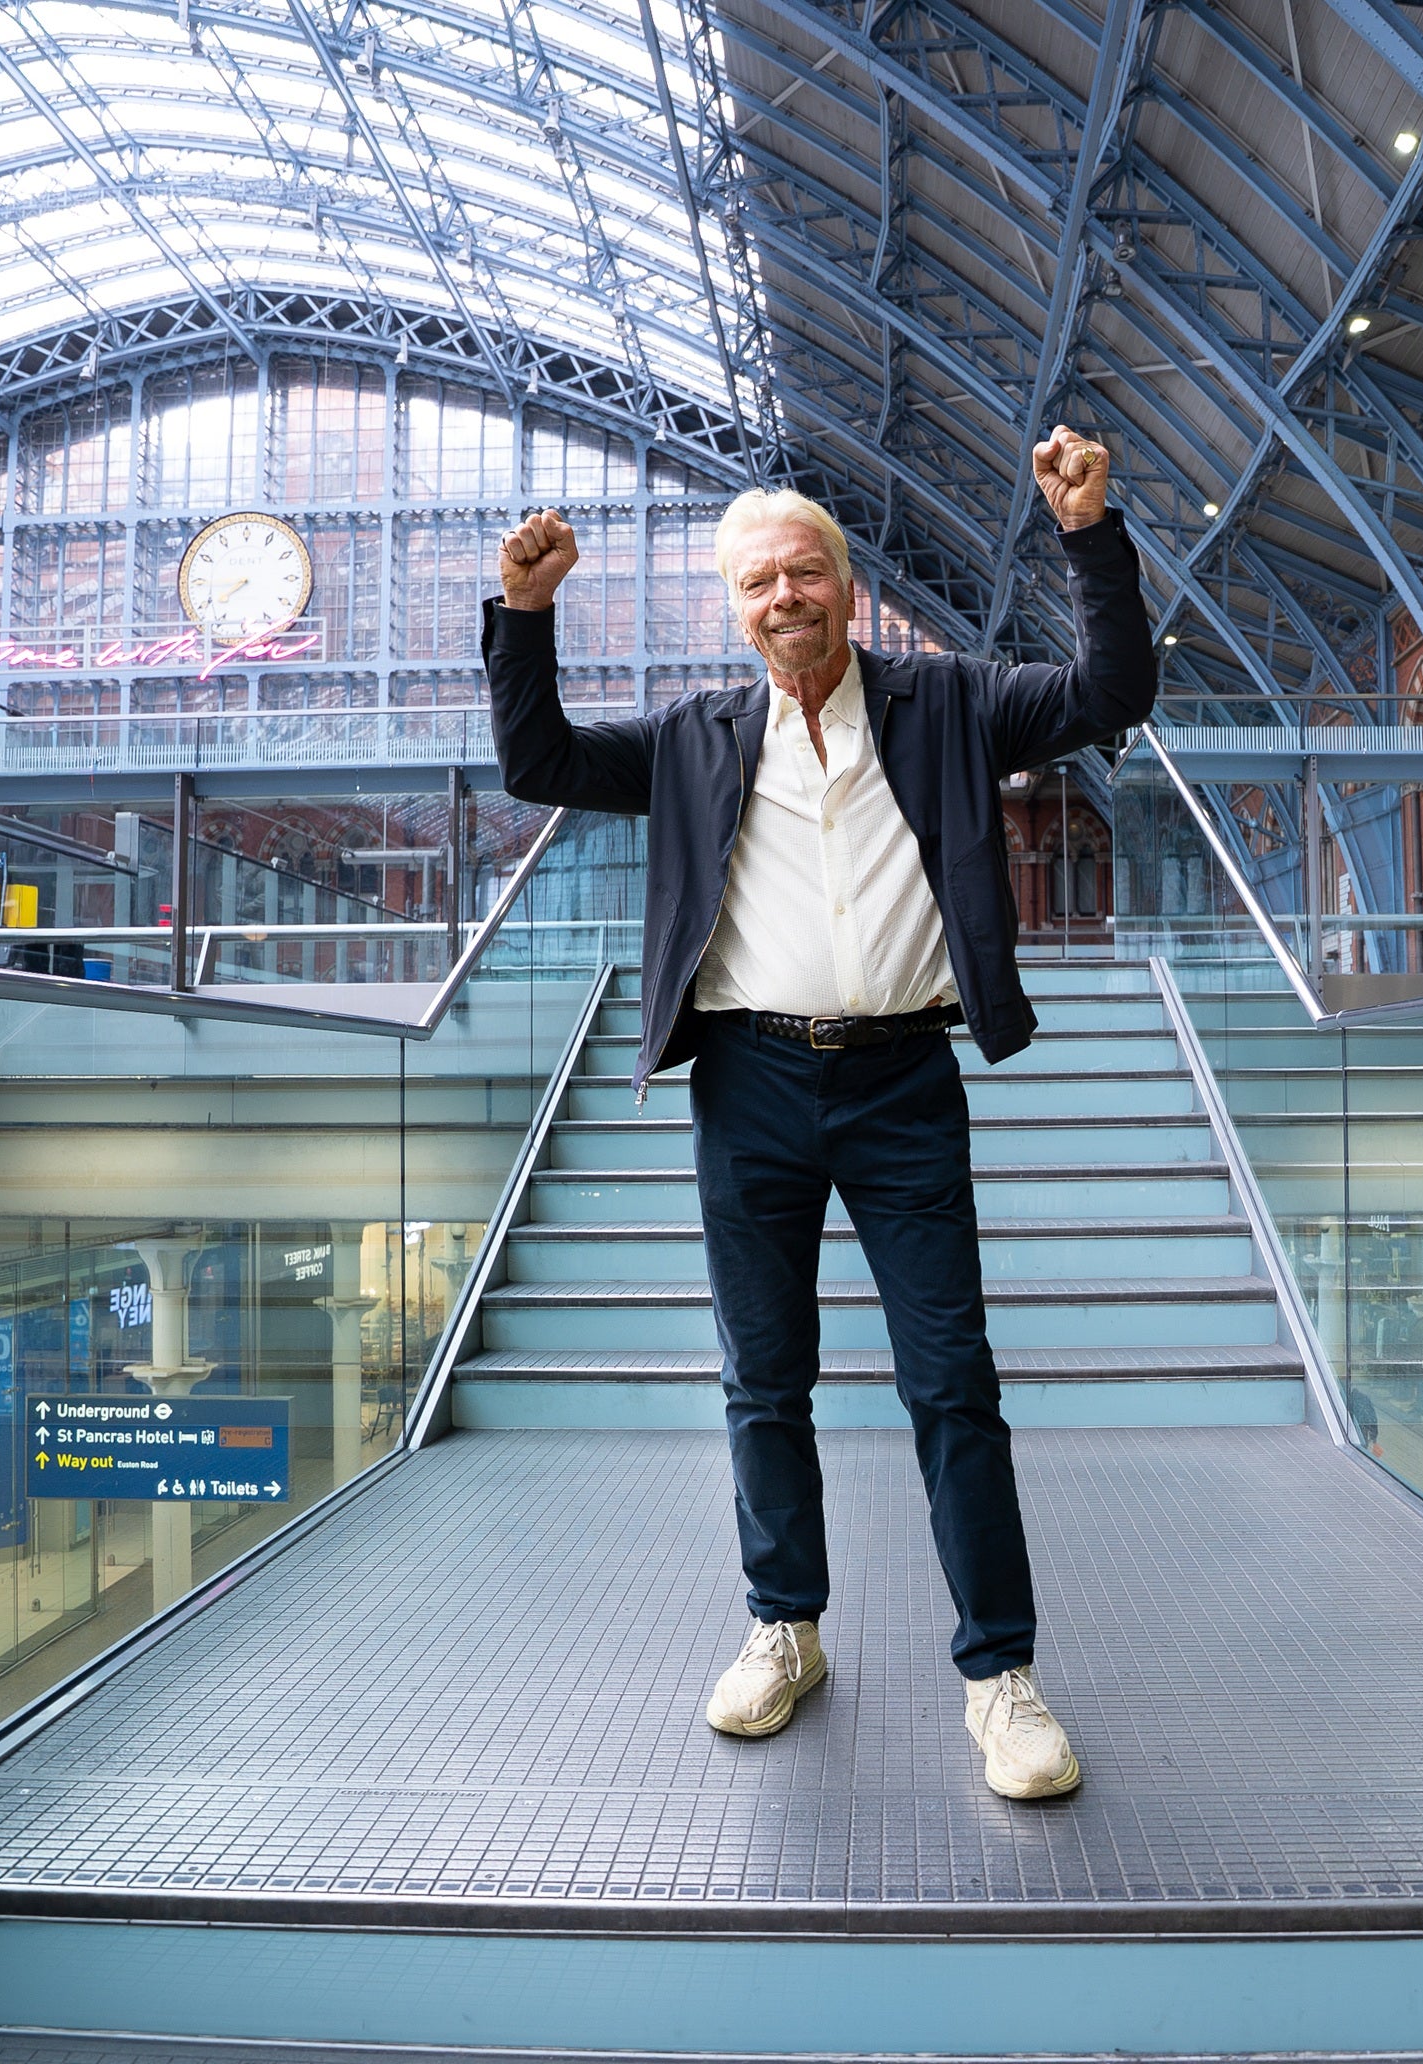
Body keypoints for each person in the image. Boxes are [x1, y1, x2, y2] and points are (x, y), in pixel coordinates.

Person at [485, 427, 1155, 1800]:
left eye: (801, 573)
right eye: (754, 584)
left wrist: (1087, 532)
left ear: (845, 588)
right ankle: (783, 1629)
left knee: (951, 1382)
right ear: (732, 611)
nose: (780, 597)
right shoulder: (691, 739)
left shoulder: (951, 704)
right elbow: (538, 761)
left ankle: (1000, 1676)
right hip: (750, 1086)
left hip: (904, 1078)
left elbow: (1110, 687)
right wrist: (527, 615)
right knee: (761, 1378)